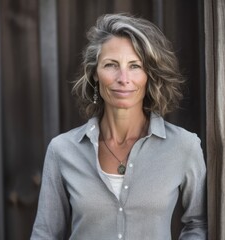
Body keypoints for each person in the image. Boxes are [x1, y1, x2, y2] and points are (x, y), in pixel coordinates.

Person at [31, 13, 207, 240]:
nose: (123, 78)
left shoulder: (184, 146)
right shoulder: (62, 150)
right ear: (95, 73)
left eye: (135, 66)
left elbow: (198, 223)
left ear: (148, 75)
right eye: (111, 65)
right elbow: (45, 234)